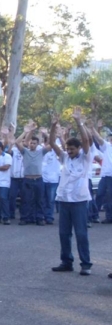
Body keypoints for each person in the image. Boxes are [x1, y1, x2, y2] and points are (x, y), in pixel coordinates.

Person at [49, 111, 94, 275]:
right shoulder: (64, 157)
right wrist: (53, 126)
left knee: (81, 234)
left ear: (79, 149)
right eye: (67, 149)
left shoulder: (86, 158)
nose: (69, 152)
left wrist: (78, 122)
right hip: (64, 200)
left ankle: (86, 264)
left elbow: (87, 140)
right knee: (64, 234)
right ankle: (66, 262)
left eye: (72, 149)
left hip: (79, 201)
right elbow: (52, 142)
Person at [15, 125, 48, 226]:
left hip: (38, 179)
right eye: (31, 143)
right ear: (28, 144)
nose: (32, 145)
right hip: (27, 179)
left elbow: (52, 143)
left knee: (40, 200)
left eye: (34, 143)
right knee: (25, 200)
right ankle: (25, 218)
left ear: (38, 144)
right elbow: (17, 142)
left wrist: (46, 134)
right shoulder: (25, 151)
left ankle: (39, 218)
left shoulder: (41, 152)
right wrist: (25, 132)